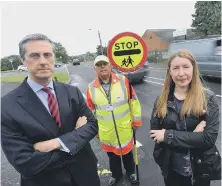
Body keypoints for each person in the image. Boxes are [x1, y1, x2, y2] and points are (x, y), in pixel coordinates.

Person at [1, 33, 100, 186]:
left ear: (54, 57)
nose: (42, 61)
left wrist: (53, 144)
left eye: (47, 55)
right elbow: (25, 162)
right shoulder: (7, 106)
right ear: (23, 61)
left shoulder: (71, 92)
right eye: (34, 55)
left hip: (86, 175)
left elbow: (92, 125)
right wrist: (74, 138)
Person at [150, 50, 220, 186]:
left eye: (186, 67)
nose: (181, 73)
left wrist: (168, 135)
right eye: (175, 68)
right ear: (170, 72)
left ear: (193, 69)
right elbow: (155, 134)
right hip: (171, 168)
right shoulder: (161, 100)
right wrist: (193, 136)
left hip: (199, 169)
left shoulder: (207, 98)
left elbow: (208, 139)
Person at [86, 55, 142, 186]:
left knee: (128, 154)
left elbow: (134, 102)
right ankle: (116, 175)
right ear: (95, 69)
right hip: (106, 132)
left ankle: (131, 172)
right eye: (99, 65)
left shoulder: (123, 81)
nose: (102, 67)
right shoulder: (90, 88)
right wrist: (94, 131)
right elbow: (90, 112)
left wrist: (137, 121)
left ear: (110, 66)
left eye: (105, 64)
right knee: (113, 157)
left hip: (125, 128)